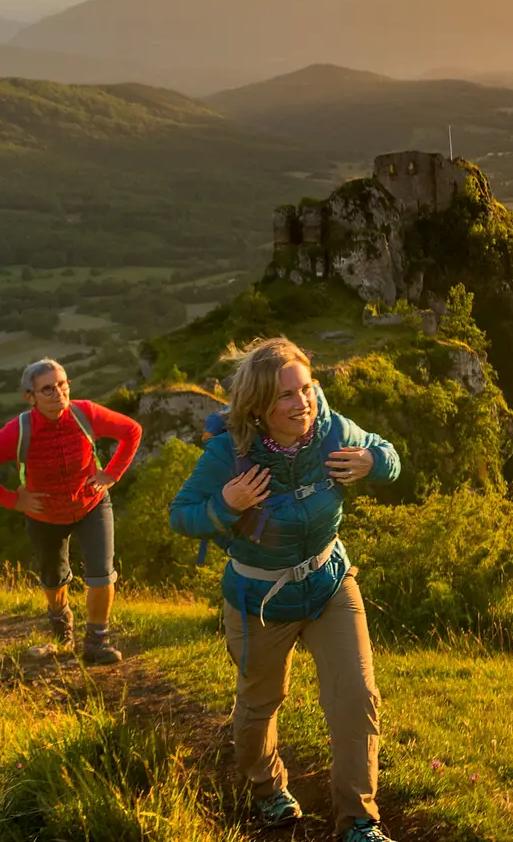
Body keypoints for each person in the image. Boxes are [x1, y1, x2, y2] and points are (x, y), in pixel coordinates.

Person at [169, 337, 400, 838]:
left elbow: (388, 454)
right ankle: (268, 789)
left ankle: (359, 821)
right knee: (260, 704)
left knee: (355, 695)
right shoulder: (228, 455)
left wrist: (372, 464)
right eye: (287, 396)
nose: (304, 403)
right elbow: (181, 517)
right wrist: (225, 504)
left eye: (307, 388)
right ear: (258, 406)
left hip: (329, 584)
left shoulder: (333, 430)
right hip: (260, 600)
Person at [0, 358, 142, 665]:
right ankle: (60, 618)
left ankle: (97, 640)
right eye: (48, 389)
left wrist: (111, 474)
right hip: (44, 516)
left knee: (101, 573)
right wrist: (13, 501)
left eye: (63, 383)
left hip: (91, 504)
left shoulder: (86, 413)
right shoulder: (17, 431)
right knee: (54, 579)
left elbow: (132, 431)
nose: (59, 392)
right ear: (30, 397)